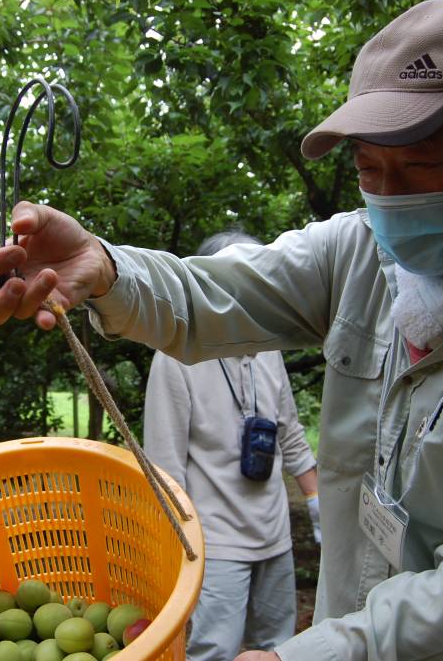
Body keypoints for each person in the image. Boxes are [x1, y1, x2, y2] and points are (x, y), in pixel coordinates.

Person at [0, 0, 443, 660]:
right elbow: (209, 297)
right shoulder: (355, 254)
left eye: (421, 167)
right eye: (371, 169)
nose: (391, 198)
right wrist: (106, 267)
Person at [143, 230, 322, 661]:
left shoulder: (269, 349)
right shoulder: (174, 358)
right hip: (216, 541)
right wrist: (183, 549)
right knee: (213, 651)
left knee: (278, 648)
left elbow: (290, 432)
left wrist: (314, 498)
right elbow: (166, 466)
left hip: (275, 533)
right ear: (209, 288)